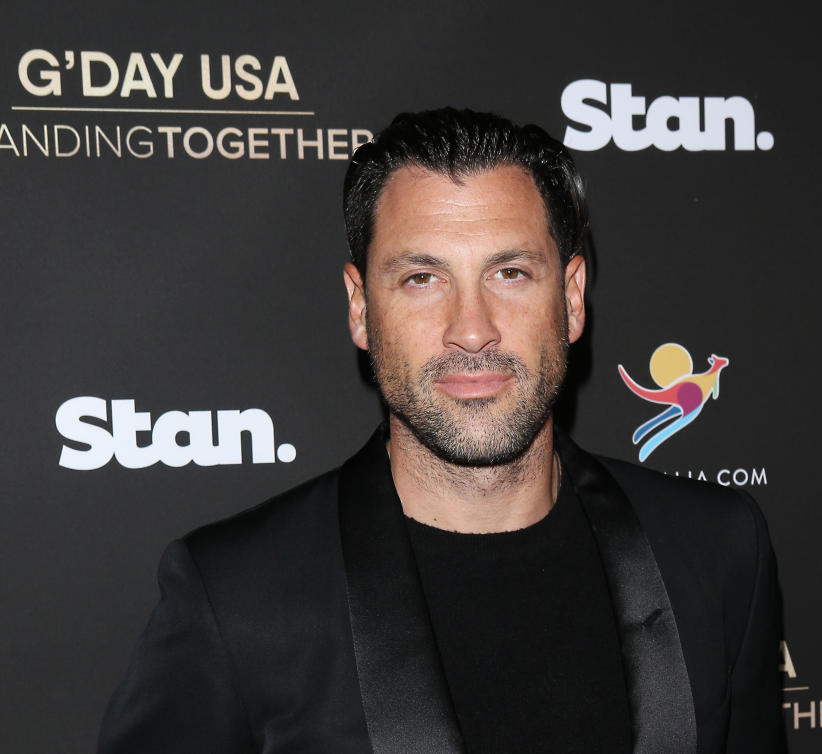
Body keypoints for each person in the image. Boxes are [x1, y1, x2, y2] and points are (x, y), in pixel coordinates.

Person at [98, 108, 786, 753]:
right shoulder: (239, 597)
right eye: (423, 278)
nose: (472, 329)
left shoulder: (716, 547)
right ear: (361, 309)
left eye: (510, 273)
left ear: (571, 300)